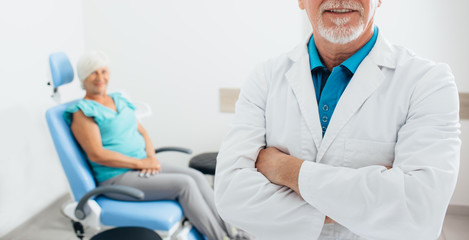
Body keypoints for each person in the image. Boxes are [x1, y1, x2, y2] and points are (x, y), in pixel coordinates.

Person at [214, 0, 460, 239]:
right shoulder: (265, 78)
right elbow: (230, 196)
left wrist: (286, 170)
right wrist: (367, 202)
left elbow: (419, 215)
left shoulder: (428, 83)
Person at [64, 51, 247, 240]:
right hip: (117, 176)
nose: (100, 77)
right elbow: (97, 155)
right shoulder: (83, 112)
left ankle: (234, 232)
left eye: (103, 71)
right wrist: (140, 163)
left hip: (143, 164)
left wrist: (150, 157)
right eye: (93, 73)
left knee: (197, 177)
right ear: (84, 76)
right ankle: (220, 238)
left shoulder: (118, 99)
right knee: (185, 185)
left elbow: (142, 131)